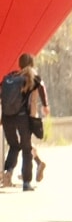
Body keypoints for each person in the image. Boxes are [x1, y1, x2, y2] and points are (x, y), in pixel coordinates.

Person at [2, 53, 49, 191]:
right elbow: (41, 87)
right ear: (32, 64)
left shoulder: (10, 77)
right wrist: (45, 106)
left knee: (14, 146)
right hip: (22, 117)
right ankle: (26, 183)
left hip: (7, 117)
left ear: (19, 64)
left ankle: (8, 171)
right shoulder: (30, 78)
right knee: (26, 149)